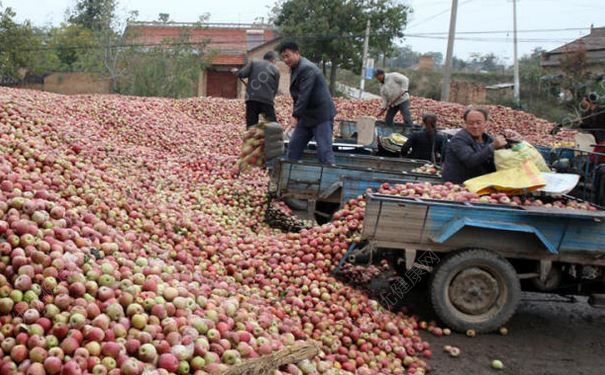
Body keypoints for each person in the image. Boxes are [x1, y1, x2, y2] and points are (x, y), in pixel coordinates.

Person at [279, 41, 336, 164]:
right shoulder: (294, 68)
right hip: (306, 116)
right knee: (294, 146)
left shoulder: (307, 68)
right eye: (283, 57)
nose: (285, 59)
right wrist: (297, 114)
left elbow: (305, 95)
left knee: (324, 150)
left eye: (287, 56)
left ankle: (331, 178)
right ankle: (290, 174)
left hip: (321, 115)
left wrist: (295, 115)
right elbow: (298, 96)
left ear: (297, 53)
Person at [442, 108, 507, 184]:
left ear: (486, 123)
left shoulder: (489, 139)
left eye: (478, 123)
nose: (475, 126)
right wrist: (492, 147)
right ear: (465, 124)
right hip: (458, 186)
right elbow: (471, 161)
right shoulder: (459, 139)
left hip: (479, 185)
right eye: (471, 123)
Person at [236, 51, 281, 128]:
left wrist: (237, 72)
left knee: (251, 126)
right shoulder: (275, 70)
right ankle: (271, 139)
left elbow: (242, 74)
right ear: (273, 60)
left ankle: (251, 139)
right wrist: (271, 98)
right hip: (267, 101)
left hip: (252, 100)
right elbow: (275, 89)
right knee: (272, 126)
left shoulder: (254, 63)